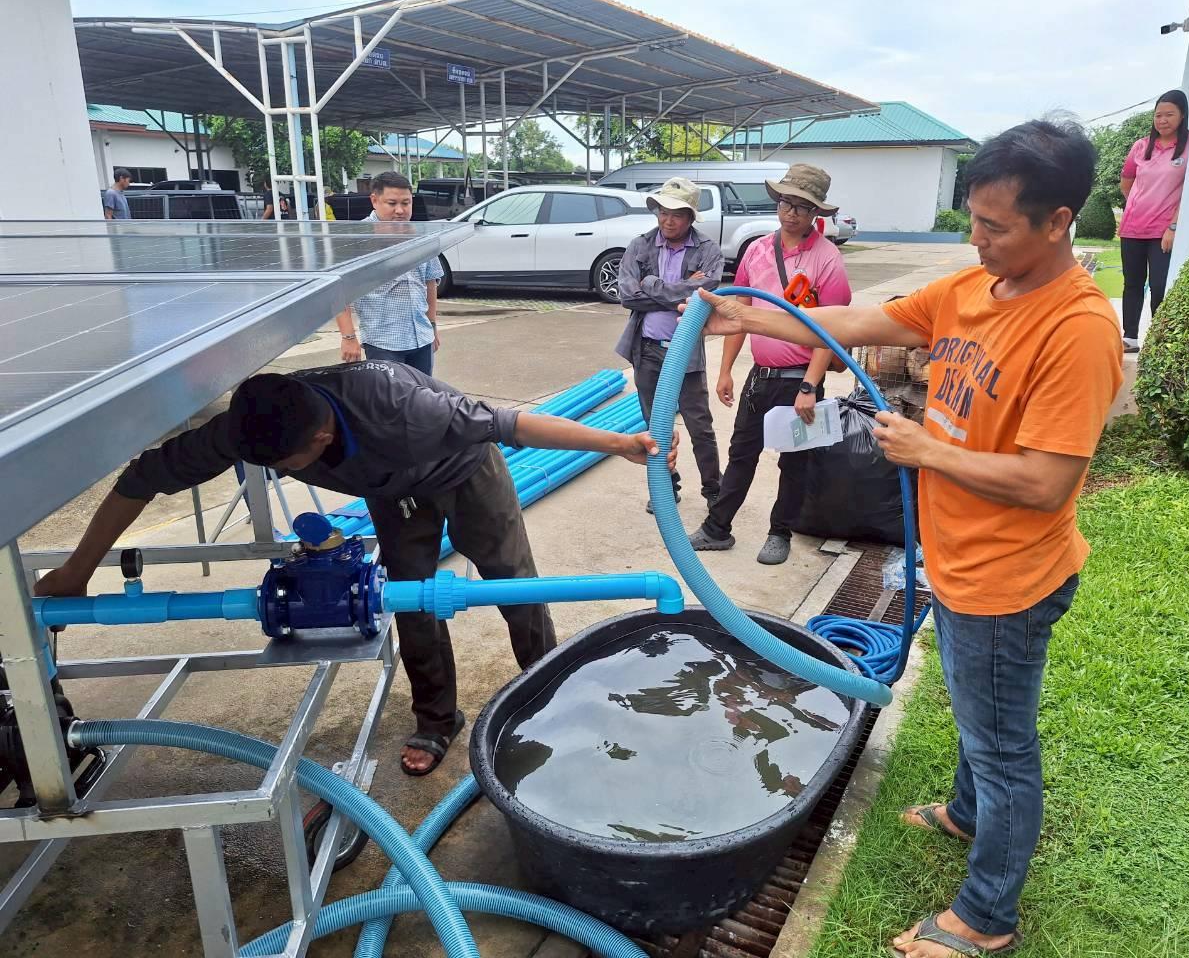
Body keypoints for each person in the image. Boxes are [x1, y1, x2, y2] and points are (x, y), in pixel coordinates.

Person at [685, 119, 1122, 958]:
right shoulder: (968, 292)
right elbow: (858, 321)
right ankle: (965, 815)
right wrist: (756, 313)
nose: (978, 239)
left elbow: (1047, 482)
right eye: (974, 220)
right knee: (976, 709)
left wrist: (928, 451)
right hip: (956, 563)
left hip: (1008, 575)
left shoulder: (1077, 328)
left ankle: (987, 917)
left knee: (1002, 745)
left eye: (996, 226)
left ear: (1059, 219)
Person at [33, 362, 678, 776]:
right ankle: (436, 718)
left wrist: (620, 443)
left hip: (466, 469)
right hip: (392, 492)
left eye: (285, 465)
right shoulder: (249, 426)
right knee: (406, 599)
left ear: (315, 443)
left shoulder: (398, 405)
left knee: (514, 586)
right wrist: (78, 568)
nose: (280, 474)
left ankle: (548, 699)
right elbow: (141, 479)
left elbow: (513, 424)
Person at [688, 163, 851, 566]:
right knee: (741, 453)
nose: (791, 212)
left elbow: (831, 331)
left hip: (799, 382)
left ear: (817, 214)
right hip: (759, 377)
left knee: (794, 463)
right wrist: (726, 370)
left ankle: (780, 532)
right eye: (785, 202)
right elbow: (737, 312)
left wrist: (810, 387)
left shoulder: (827, 260)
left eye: (801, 206)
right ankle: (717, 528)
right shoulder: (758, 249)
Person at [617, 176, 723, 514]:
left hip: (684, 351)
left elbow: (706, 291)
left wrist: (653, 285)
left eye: (677, 213)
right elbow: (627, 295)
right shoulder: (641, 245)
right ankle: (666, 487)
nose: (668, 220)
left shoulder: (707, 250)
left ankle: (714, 490)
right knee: (655, 427)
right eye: (663, 211)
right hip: (646, 348)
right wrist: (680, 290)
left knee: (699, 425)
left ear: (690, 217)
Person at [335, 172, 443, 376]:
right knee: (390, 403)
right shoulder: (355, 240)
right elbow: (340, 290)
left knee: (424, 401)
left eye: (406, 203)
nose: (400, 210)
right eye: (392, 203)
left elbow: (430, 282)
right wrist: (348, 337)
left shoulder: (421, 236)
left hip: (421, 336)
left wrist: (432, 325)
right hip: (383, 342)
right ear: (374, 200)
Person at [1118, 90, 1189, 353]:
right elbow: (1126, 181)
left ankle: (1158, 341)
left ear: (1182, 115)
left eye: (1169, 114)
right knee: (1133, 282)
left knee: (1160, 284)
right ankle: (1130, 337)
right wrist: (1136, 205)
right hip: (1133, 228)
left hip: (1164, 231)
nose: (1163, 120)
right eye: (1158, 115)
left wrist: (1173, 225)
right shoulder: (1141, 145)